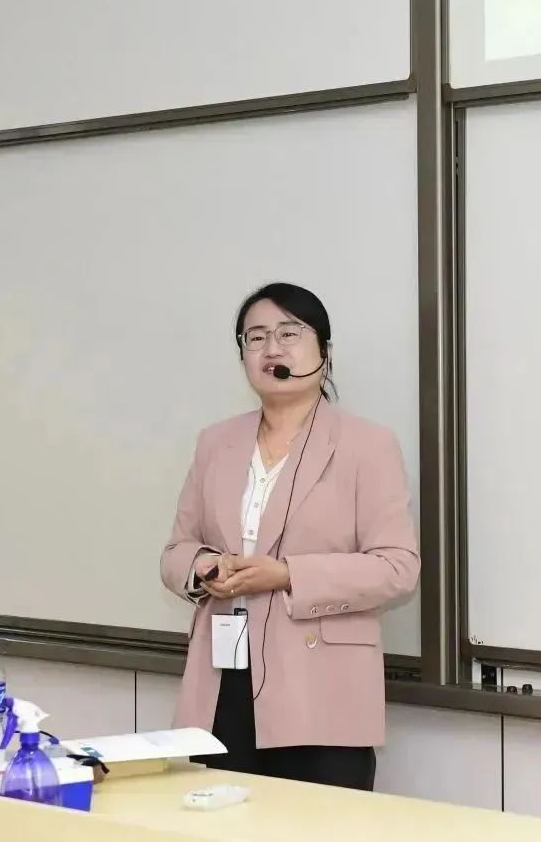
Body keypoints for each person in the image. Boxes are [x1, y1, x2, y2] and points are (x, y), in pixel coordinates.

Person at [159, 282, 419, 791]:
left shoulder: (367, 445)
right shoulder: (216, 442)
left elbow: (397, 568)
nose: (271, 348)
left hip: (322, 685)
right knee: (222, 819)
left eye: (289, 333)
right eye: (255, 337)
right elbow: (176, 551)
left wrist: (287, 574)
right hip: (224, 681)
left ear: (325, 351)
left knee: (320, 823)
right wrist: (204, 567)